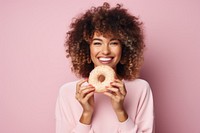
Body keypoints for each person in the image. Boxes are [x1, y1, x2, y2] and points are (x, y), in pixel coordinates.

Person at [55, 2, 154, 133]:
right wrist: (86, 114)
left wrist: (120, 111)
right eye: (97, 43)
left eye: (113, 43)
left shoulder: (141, 88)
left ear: (124, 49)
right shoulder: (67, 92)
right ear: (86, 49)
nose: (105, 51)